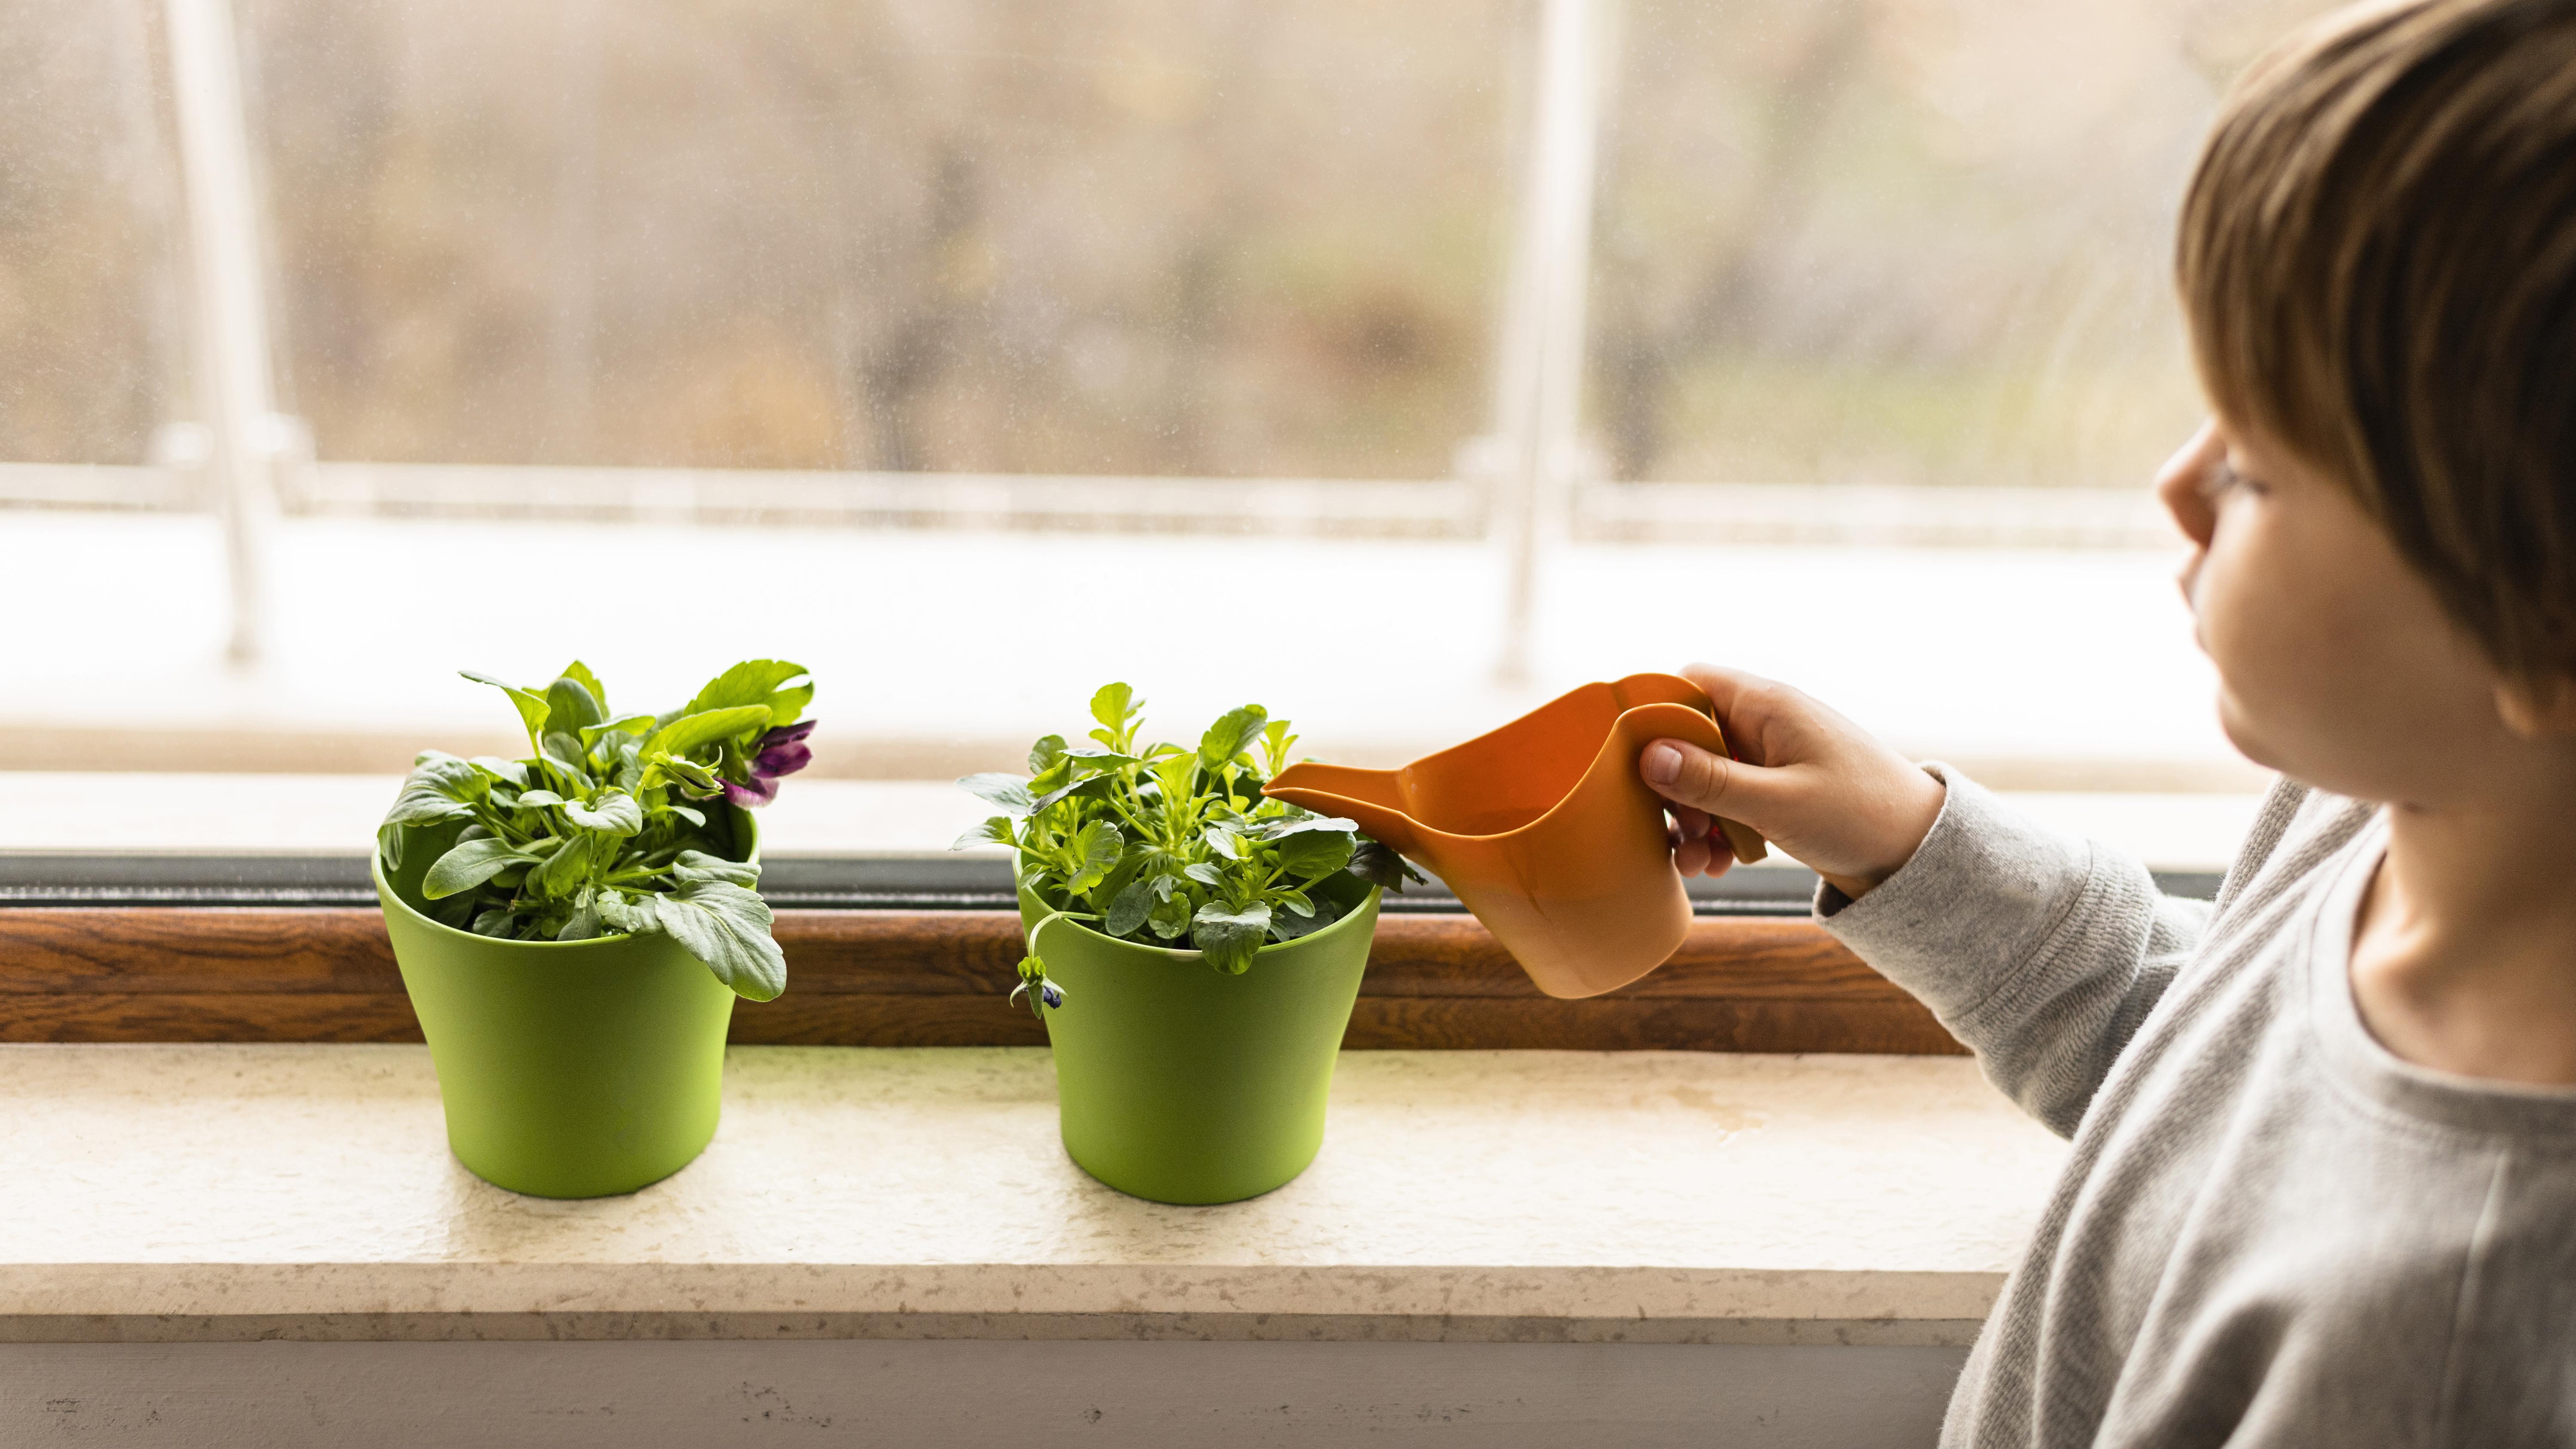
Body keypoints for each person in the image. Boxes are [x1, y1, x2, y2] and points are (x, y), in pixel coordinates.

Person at [1636, 0, 2576, 1442]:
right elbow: (2210, 1094)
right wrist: (1914, 844)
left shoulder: (2438, 1345)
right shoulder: (2393, 808)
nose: (2179, 488)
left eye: (2259, 468)